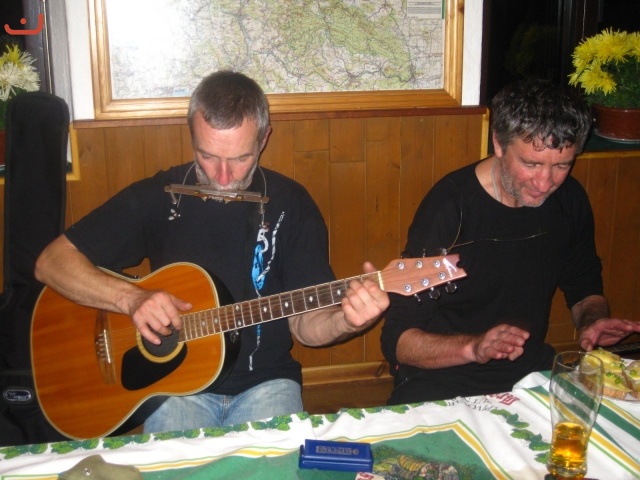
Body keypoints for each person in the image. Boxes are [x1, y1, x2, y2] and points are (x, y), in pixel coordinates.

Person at [34, 70, 389, 432]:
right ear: (191, 135)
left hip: (267, 383)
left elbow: (306, 326)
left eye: (240, 158)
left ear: (264, 138)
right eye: (207, 156)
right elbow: (51, 262)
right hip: (173, 388)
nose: (223, 176)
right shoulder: (159, 196)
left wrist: (347, 321)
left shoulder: (291, 204)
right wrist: (131, 299)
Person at [381, 78, 640, 405]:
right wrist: (474, 347)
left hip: (528, 371)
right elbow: (397, 341)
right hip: (440, 377)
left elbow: (583, 285)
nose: (545, 183)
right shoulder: (450, 207)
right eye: (531, 164)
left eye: (562, 165)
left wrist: (593, 321)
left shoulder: (569, 199)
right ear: (499, 144)